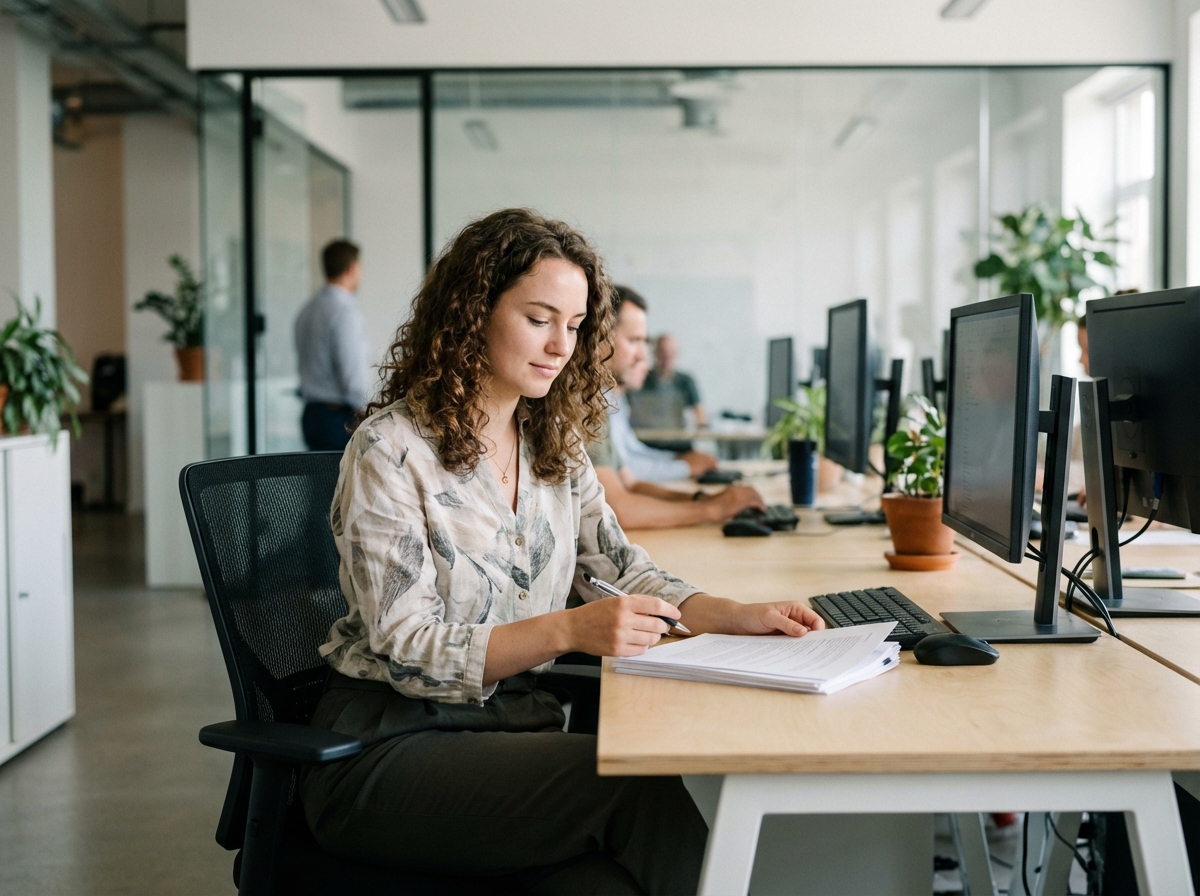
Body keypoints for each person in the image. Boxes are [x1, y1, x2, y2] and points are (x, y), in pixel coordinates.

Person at [300, 209, 825, 894]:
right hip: (387, 746)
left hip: (508, 729)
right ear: (472, 313)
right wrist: (570, 630)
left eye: (575, 326)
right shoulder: (390, 450)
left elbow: (621, 568)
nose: (560, 346)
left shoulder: (553, 444)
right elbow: (406, 647)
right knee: (638, 791)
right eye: (539, 319)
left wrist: (732, 614)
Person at [589, 286, 766, 529]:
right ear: (599, 337)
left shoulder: (597, 400)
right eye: (634, 341)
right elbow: (617, 509)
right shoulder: (584, 403)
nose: (643, 357)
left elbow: (631, 483)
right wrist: (713, 508)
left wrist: (704, 500)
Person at [606, 289, 719, 482]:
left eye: (643, 342)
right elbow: (626, 469)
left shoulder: (685, 380)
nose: (643, 358)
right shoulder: (597, 401)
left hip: (674, 446)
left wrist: (679, 459)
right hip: (653, 443)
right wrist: (684, 467)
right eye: (634, 340)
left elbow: (631, 453)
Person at [294, 239, 372, 451]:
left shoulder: (307, 310)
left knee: (317, 474)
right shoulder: (344, 314)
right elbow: (353, 379)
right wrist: (369, 416)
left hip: (312, 415)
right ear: (351, 269)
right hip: (338, 420)